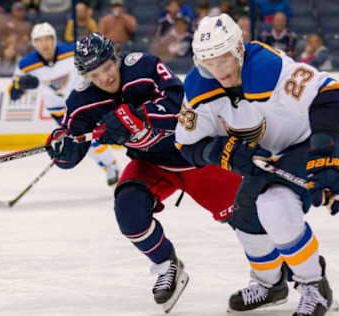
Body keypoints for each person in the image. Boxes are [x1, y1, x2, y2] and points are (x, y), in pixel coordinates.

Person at [45, 32, 242, 313]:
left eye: (107, 68)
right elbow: (71, 146)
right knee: (128, 211)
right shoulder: (82, 100)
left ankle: (284, 275)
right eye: (95, 74)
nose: (105, 78)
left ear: (116, 58)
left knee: (246, 220)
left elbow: (180, 105)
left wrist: (135, 116)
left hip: (194, 155)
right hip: (150, 163)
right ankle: (166, 264)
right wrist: (61, 148)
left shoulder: (143, 66)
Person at [175, 13, 339, 315]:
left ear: (239, 50)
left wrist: (324, 160)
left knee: (275, 206)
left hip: (307, 142)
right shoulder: (199, 89)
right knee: (244, 215)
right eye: (208, 62)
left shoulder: (271, 69)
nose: (217, 70)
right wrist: (223, 153)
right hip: (267, 157)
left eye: (223, 59)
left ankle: (315, 286)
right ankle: (271, 285)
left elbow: (332, 96)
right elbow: (187, 145)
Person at [8, 23, 120, 185]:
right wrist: (20, 85)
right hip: (58, 112)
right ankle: (110, 165)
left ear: (54, 39)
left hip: (81, 106)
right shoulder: (26, 64)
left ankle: (111, 165)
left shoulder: (72, 51)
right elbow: (13, 94)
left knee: (92, 140)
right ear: (34, 43)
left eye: (48, 39)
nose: (45, 44)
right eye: (40, 40)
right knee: (84, 143)